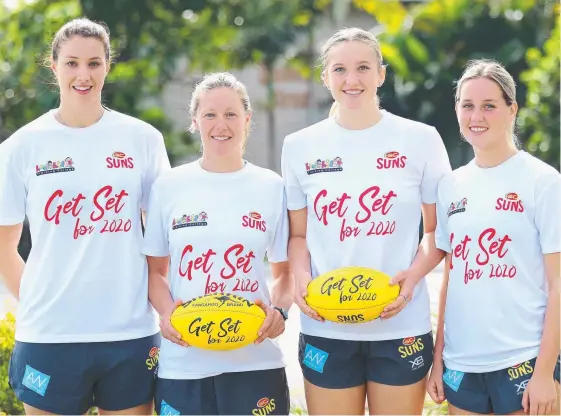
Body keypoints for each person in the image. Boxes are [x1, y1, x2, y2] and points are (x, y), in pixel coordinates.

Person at [0, 18, 170, 415]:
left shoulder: (142, 140)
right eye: (72, 62)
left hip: (130, 333)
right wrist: (39, 302)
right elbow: (4, 247)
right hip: (49, 336)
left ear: (107, 67)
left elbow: (162, 237)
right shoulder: (20, 147)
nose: (83, 74)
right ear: (54, 65)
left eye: (94, 63)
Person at [280, 27, 452, 415]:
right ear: (325, 77)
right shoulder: (299, 146)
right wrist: (303, 281)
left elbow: (437, 232)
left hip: (400, 325)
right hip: (326, 325)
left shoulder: (420, 140)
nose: (351, 79)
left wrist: (411, 280)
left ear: (381, 74)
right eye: (339, 69)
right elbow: (298, 236)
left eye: (362, 67)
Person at [141, 72, 293, 415]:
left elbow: (285, 273)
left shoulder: (271, 187)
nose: (220, 124)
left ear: (247, 119)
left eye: (231, 114)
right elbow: (155, 273)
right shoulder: (169, 186)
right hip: (184, 364)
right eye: (209, 114)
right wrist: (167, 316)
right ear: (195, 121)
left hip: (255, 361)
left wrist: (280, 311)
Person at [427, 59, 560, 415]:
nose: (477, 116)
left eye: (489, 106)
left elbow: (559, 281)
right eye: (467, 105)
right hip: (462, 365)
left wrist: (546, 372)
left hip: (524, 361)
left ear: (511, 109)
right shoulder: (450, 186)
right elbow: (451, 279)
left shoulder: (543, 182)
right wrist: (439, 358)